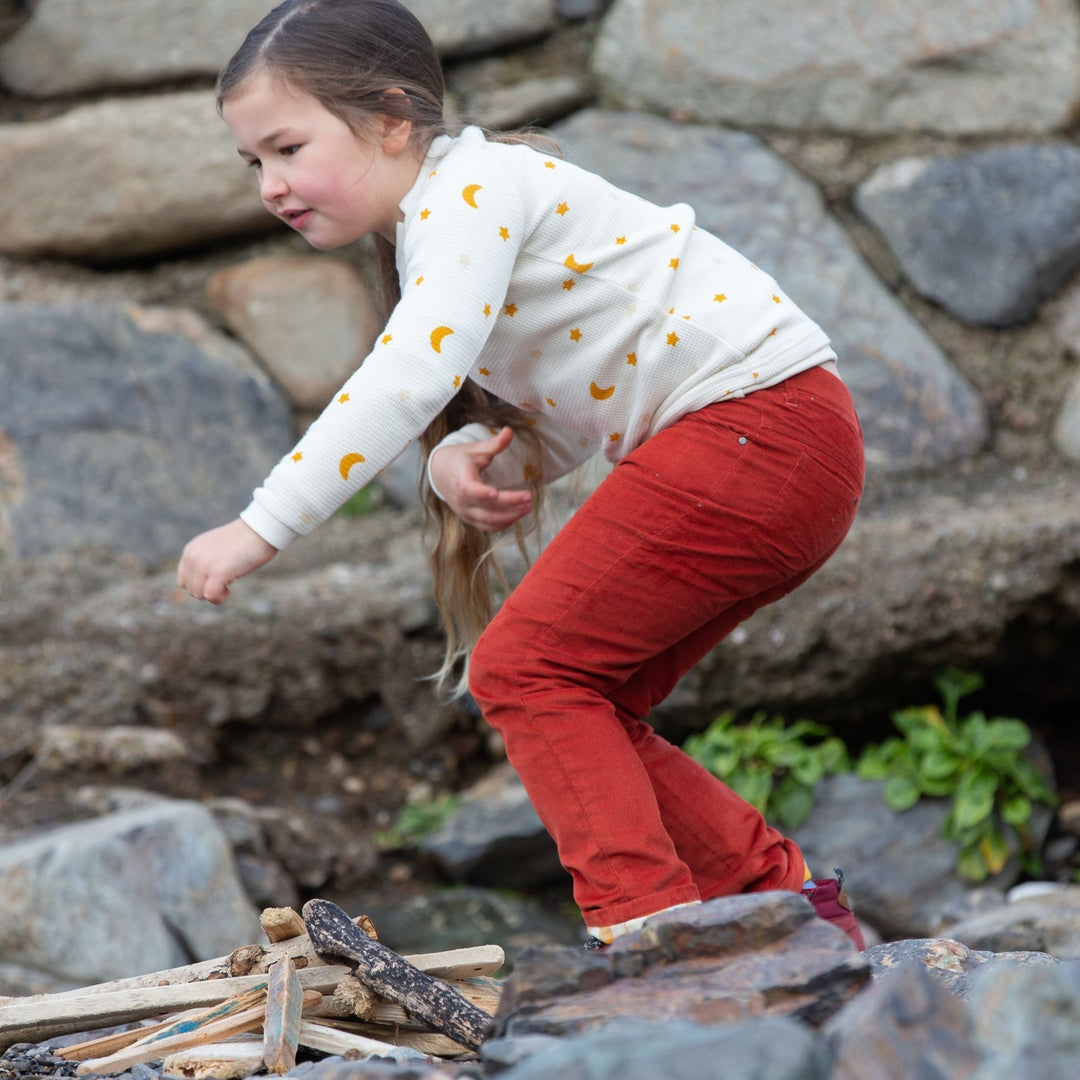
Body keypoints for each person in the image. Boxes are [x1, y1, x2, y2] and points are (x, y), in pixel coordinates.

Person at [177, 0, 867, 951]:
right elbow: (576, 400)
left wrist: (261, 526)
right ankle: (795, 917)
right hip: (778, 440)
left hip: (757, 430)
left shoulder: (472, 190)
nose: (271, 185)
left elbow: (412, 374)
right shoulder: (447, 220)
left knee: (529, 670)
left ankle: (647, 937)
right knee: (582, 692)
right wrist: (473, 461)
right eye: (254, 162)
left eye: (289, 147)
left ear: (389, 116)